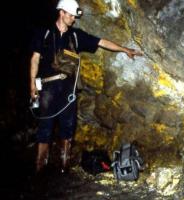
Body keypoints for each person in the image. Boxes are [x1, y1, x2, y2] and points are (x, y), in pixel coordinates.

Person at [29, 0, 142, 174]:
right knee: (45, 128)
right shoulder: (44, 33)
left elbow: (101, 42)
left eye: (74, 16)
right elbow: (35, 59)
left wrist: (124, 49)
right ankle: (40, 169)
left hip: (68, 91)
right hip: (47, 90)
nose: (74, 19)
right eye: (71, 15)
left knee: (68, 128)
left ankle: (64, 168)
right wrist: (32, 84)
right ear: (62, 13)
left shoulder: (75, 35)